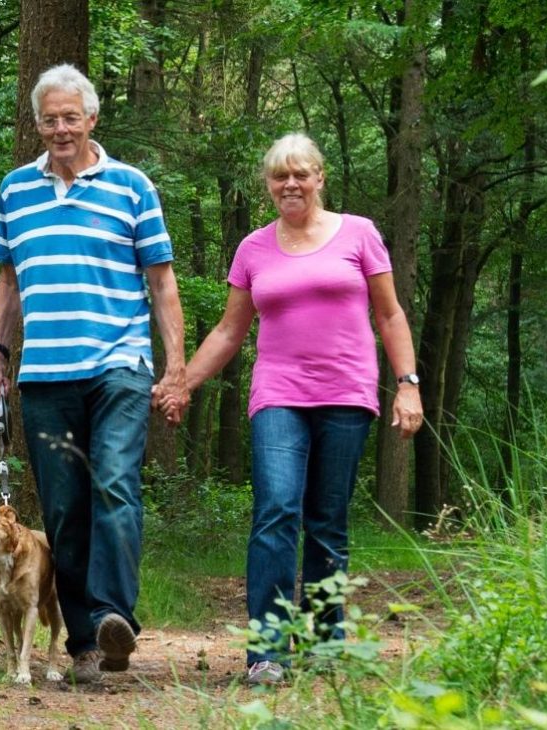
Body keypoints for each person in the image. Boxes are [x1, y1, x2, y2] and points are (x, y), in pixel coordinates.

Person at [160, 132, 423, 685]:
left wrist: (408, 384)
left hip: (347, 393)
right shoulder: (254, 248)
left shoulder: (360, 234)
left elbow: (391, 316)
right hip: (278, 395)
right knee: (276, 508)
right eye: (280, 176)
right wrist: (183, 383)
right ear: (269, 185)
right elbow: (231, 331)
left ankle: (326, 643)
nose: (291, 184)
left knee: (327, 521)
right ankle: (267, 650)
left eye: (300, 173)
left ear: (320, 177)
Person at [0, 63, 188, 685]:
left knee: (115, 488)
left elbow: (161, 281)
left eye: (71, 117)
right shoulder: (15, 190)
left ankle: (111, 617)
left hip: (119, 367)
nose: (60, 129)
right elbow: (9, 278)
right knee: (66, 511)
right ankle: (84, 647)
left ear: (92, 119)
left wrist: (175, 367)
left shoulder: (132, 186)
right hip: (44, 375)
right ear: (38, 124)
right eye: (50, 119)